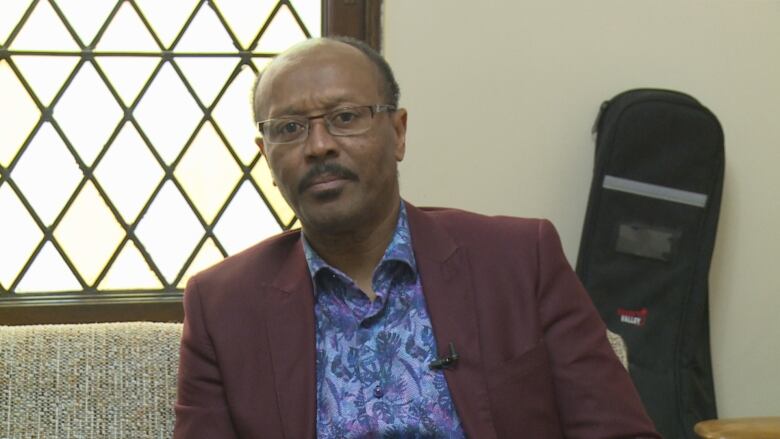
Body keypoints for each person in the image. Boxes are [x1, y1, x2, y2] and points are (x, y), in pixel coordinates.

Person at [174, 36, 661, 438]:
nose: (318, 145)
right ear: (266, 154)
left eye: (345, 117)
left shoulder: (519, 260)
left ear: (399, 132)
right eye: (290, 128)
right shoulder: (223, 305)